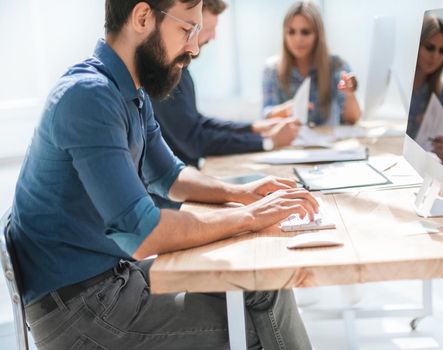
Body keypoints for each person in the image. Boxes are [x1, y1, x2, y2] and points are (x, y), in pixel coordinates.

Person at [10, 1, 315, 349]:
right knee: (257, 326)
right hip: (81, 312)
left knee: (265, 286)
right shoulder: (88, 98)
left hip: (110, 281)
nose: (195, 47)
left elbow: (170, 176)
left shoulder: (130, 92)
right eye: (187, 29)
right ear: (142, 18)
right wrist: (248, 217)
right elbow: (143, 233)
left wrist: (243, 193)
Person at [152, 0, 300, 168]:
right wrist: (267, 141)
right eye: (206, 29)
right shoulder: (165, 73)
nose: (213, 36)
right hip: (178, 185)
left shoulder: (181, 70)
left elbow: (197, 122)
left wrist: (255, 128)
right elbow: (194, 139)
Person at [262, 1, 361, 126]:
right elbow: (266, 116)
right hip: (291, 142)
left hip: (328, 141)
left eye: (305, 32)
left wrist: (349, 94)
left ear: (318, 35)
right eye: (291, 32)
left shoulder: (337, 65)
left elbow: (352, 119)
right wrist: (288, 108)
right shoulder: (272, 68)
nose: (298, 39)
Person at [407, 15, 443, 165]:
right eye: (430, 47)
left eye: (442, 51)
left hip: (419, 166)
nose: (435, 56)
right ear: (416, 44)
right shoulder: (398, 82)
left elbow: (436, 147)